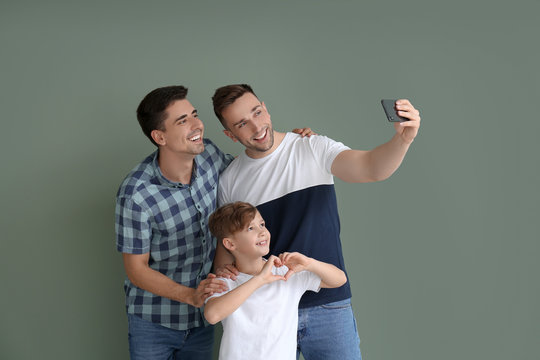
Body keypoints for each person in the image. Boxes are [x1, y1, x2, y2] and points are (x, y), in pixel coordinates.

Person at [211, 84, 421, 360]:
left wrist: (403, 140)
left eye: (257, 112)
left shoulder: (311, 147)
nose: (256, 126)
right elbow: (228, 247)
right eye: (242, 123)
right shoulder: (230, 180)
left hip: (327, 305)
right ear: (230, 135)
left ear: (266, 107)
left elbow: (371, 168)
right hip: (264, 313)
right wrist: (220, 275)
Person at [115, 85, 315, 360]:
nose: (198, 125)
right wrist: (191, 296)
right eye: (183, 121)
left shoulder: (209, 154)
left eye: (194, 115)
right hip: (154, 320)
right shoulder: (136, 193)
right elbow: (136, 269)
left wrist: (290, 145)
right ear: (159, 136)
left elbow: (252, 170)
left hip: (203, 320)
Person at [205, 201, 347, 360]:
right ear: (230, 243)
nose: (262, 232)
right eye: (251, 228)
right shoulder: (226, 279)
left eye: (262, 224)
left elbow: (339, 279)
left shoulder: (284, 271)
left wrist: (309, 263)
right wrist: (259, 280)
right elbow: (212, 315)